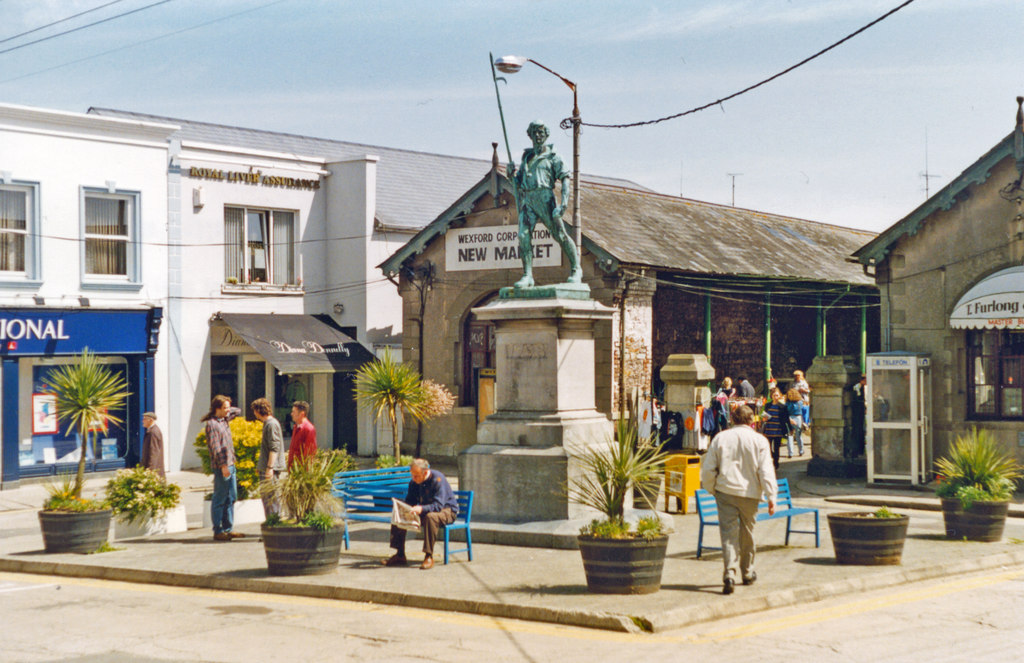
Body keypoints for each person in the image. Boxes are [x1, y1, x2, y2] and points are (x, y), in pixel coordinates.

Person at [699, 404, 777, 595]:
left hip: (725, 491)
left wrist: (712, 488)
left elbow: (708, 469)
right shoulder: (760, 440)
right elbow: (765, 470)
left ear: (732, 419)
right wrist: (771, 496)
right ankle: (748, 572)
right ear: (752, 421)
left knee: (728, 535)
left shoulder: (720, 438)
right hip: (750, 493)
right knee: (747, 533)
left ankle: (729, 574)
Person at [507, 121, 582, 288]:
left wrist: (563, 204)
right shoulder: (526, 158)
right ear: (531, 136)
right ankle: (528, 275)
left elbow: (565, 180)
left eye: (541, 132)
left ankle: (576, 268)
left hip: (545, 198)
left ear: (546, 135)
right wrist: (510, 175)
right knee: (523, 236)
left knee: (559, 235)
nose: (538, 135)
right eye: (535, 133)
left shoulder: (553, 157)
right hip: (528, 199)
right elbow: (518, 182)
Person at [382, 458, 458, 570]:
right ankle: (400, 554)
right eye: (412, 475)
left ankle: (428, 556)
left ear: (425, 472)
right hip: (426, 509)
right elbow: (410, 501)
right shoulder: (414, 482)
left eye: (416, 475)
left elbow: (438, 506)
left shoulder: (437, 479)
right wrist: (402, 507)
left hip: (446, 511)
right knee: (399, 515)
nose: (414, 478)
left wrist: (421, 509)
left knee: (430, 517)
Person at [201, 395, 243, 541]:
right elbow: (215, 448)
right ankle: (218, 530)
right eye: (224, 408)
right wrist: (223, 465)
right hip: (222, 466)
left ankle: (228, 528)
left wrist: (227, 406)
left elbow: (238, 411)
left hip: (231, 464)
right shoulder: (212, 425)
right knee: (220, 498)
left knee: (231, 497)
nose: (228, 410)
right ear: (217, 409)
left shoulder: (224, 420)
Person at [251, 397, 286, 516]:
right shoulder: (269, 424)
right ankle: (272, 522)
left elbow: (274, 448)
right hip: (266, 467)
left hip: (270, 468)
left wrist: (270, 467)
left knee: (270, 498)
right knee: (268, 498)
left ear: (258, 411)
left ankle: (274, 524)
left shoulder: (271, 425)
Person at [761, 388, 790, 470]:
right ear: (772, 396)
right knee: (768, 447)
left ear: (780, 396)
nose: (776, 397)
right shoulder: (768, 405)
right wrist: (764, 418)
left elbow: (786, 419)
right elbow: (764, 416)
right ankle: (773, 456)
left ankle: (776, 462)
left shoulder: (782, 407)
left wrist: (789, 429)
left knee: (777, 447)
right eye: (774, 395)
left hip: (778, 429)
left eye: (777, 395)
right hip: (769, 429)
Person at [286, 401, 317, 468]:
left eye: (294, 412)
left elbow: (310, 453)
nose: (291, 414)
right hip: (293, 469)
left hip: (300, 471)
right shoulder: (296, 427)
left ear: (302, 414)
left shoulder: (309, 429)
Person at [139, 411, 164, 479]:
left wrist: (150, 469)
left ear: (150, 420)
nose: (142, 421)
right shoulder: (151, 431)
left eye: (144, 419)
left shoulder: (153, 432)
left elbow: (154, 452)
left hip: (153, 469)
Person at [848, 374, 867, 460]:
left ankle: (860, 450)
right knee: (858, 430)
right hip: (858, 413)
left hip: (862, 412)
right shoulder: (856, 387)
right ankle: (856, 451)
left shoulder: (864, 387)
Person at [785, 387, 805, 458]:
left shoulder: (787, 403)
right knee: (798, 435)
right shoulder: (800, 402)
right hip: (798, 417)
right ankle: (801, 450)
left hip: (790, 418)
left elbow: (785, 411)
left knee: (789, 436)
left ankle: (790, 453)